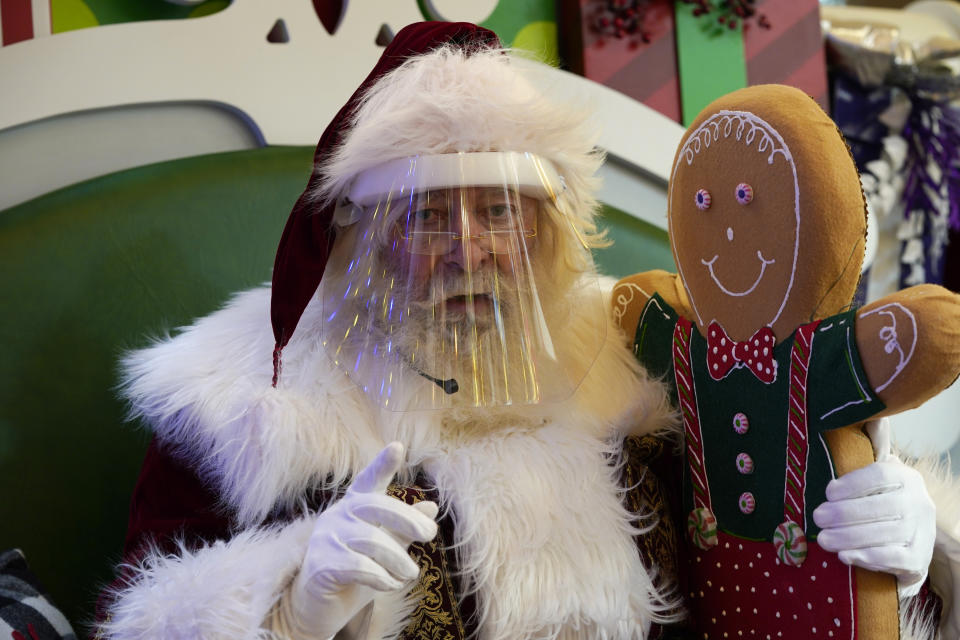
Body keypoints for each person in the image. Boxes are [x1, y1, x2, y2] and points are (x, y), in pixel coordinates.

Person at [95, 22, 947, 640]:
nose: (468, 250)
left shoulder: (644, 350)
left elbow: (772, 506)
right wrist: (292, 599)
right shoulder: (247, 399)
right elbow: (141, 611)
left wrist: (910, 544)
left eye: (498, 210)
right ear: (358, 233)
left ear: (549, 229)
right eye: (428, 215)